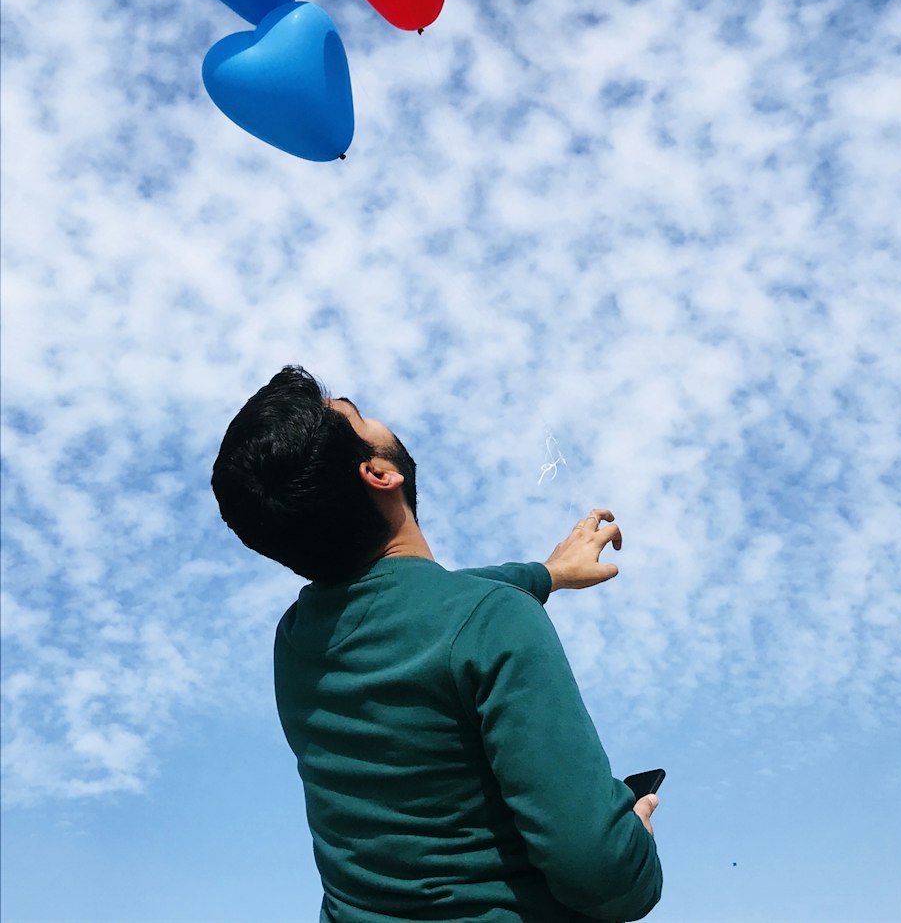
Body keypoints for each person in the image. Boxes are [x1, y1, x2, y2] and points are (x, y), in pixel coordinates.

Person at [211, 365, 662, 922]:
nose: (363, 409)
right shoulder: (494, 623)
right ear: (378, 473)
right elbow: (602, 874)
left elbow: (419, 607)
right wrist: (633, 839)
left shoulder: (296, 642)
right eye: (354, 415)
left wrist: (545, 574)